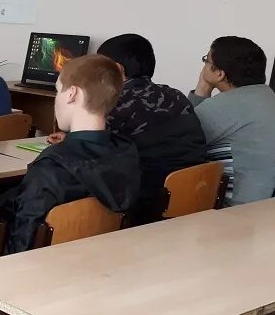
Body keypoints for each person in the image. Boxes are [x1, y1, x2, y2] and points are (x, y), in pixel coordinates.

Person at [0, 54, 141, 254]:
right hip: (97, 259)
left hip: (40, 270)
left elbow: (22, 244)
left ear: (72, 94)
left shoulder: (51, 167)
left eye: (58, 91)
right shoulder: (127, 153)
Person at [60, 34, 205, 220]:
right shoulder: (176, 96)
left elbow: (83, 153)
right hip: (192, 199)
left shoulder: (114, 103)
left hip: (138, 206)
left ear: (118, 70)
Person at [189, 36, 275, 205]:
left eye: (206, 60)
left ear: (220, 73)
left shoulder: (223, 106)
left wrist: (202, 87)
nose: (203, 66)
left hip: (238, 210)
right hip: (267, 205)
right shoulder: (267, 96)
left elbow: (187, 136)